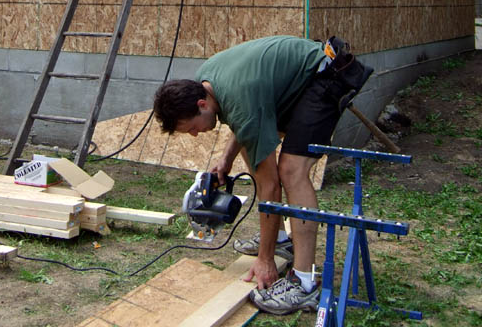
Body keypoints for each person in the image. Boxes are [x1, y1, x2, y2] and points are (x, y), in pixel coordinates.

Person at [153, 35, 372, 316]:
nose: (195, 134)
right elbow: (244, 119)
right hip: (303, 80)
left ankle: (304, 283)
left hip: (327, 77)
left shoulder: (237, 98)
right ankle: (280, 237)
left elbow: (270, 187)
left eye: (191, 128)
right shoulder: (207, 80)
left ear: (202, 104)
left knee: (291, 171)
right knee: (252, 149)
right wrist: (225, 159)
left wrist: (264, 260)